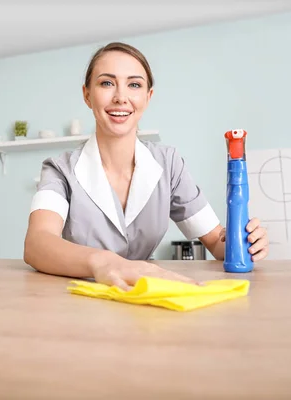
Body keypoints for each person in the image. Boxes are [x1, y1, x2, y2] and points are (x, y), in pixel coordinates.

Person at [23, 42, 269, 290]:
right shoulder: (59, 169)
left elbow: (216, 241)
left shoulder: (169, 164)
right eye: (107, 83)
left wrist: (243, 241)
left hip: (146, 300)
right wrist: (105, 263)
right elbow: (37, 243)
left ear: (148, 97)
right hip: (82, 301)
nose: (121, 97)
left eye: (134, 85)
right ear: (87, 94)